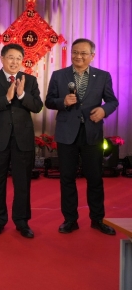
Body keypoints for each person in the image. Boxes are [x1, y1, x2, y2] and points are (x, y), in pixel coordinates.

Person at [45, 38, 118, 236]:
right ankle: (70, 220)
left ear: (92, 56)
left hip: (92, 133)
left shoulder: (102, 76)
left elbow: (112, 101)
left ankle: (97, 219)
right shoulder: (59, 75)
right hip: (66, 134)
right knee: (67, 178)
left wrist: (104, 111)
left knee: (95, 178)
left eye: (83, 53)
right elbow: (49, 101)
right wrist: (62, 102)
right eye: (75, 52)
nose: (78, 56)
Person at [0, 43, 43, 238]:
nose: (14, 62)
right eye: (10, 57)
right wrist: (6, 98)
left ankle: (22, 222)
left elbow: (37, 106)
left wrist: (22, 95)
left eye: (18, 58)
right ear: (2, 59)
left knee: (22, 183)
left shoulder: (30, 80)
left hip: (22, 139)